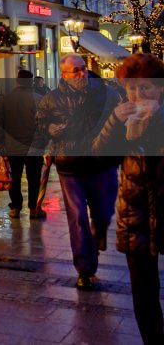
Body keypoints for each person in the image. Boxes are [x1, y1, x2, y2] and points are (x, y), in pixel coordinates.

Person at [93, 54, 164, 343]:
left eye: (146, 87)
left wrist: (156, 121)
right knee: (144, 293)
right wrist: (114, 122)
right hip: (135, 214)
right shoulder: (122, 117)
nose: (138, 95)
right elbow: (99, 155)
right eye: (132, 88)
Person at [36, 53, 121, 291]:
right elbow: (40, 123)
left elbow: (120, 122)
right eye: (76, 70)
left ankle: (97, 236)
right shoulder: (52, 99)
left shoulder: (106, 94)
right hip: (70, 163)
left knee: (104, 212)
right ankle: (85, 269)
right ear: (64, 74)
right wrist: (49, 129)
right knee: (77, 217)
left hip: (102, 163)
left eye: (83, 68)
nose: (82, 73)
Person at [0, 69, 47, 219]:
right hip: (34, 147)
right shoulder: (39, 99)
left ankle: (16, 207)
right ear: (31, 82)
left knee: (14, 178)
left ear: (17, 81)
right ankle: (34, 208)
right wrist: (44, 142)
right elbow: (44, 124)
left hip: (12, 146)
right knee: (34, 179)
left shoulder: (5, 99)